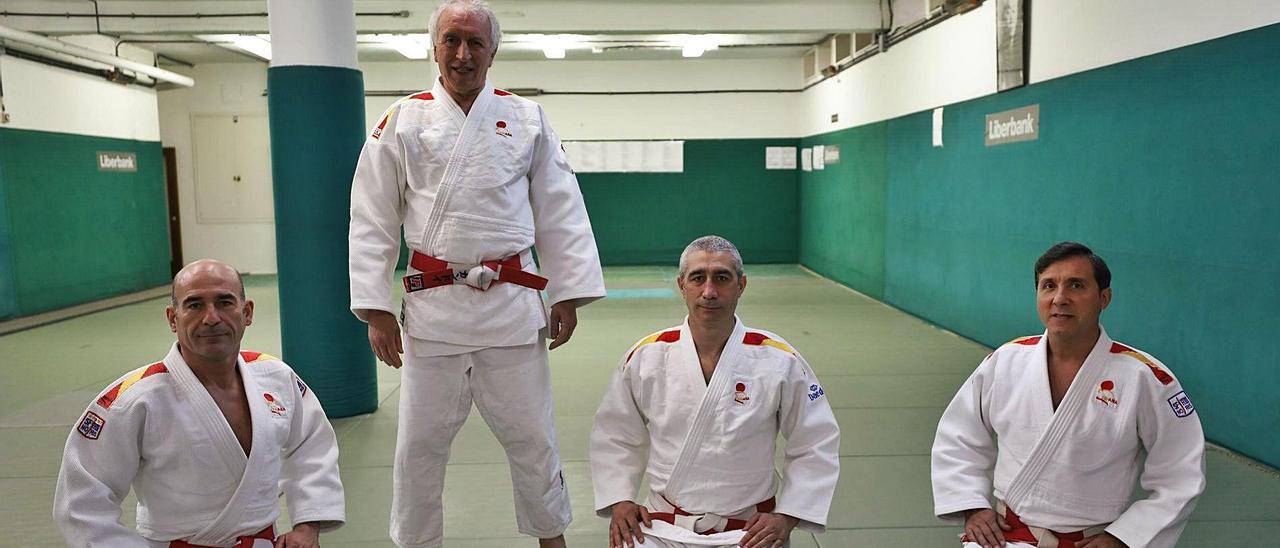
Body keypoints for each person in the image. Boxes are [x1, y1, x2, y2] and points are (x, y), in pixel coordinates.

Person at [347, 0, 605, 545]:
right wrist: (373, 308)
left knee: (533, 437)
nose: (462, 54)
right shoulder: (402, 118)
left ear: (494, 52)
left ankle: (550, 536)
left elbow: (560, 206)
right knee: (418, 443)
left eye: (475, 43)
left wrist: (568, 293)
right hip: (433, 308)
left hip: (510, 306)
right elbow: (371, 216)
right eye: (451, 40)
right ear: (433, 48)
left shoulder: (527, 117)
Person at [53, 259, 345, 548]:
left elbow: (312, 446)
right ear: (172, 318)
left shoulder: (276, 377)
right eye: (194, 305)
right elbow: (80, 499)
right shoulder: (135, 398)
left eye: (224, 302)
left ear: (247, 313)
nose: (211, 318)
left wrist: (307, 526)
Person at [931, 242, 1205, 548]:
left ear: (1104, 298)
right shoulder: (1005, 361)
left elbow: (1181, 473)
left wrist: (1125, 537)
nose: (1060, 298)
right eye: (1049, 286)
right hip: (1007, 538)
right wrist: (972, 504)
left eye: (1076, 285)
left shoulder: (1145, 378)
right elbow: (959, 434)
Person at [590, 236, 840, 548]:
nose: (709, 292)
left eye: (722, 277)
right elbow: (615, 433)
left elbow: (815, 440)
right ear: (682, 285)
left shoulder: (779, 359)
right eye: (698, 278)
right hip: (662, 528)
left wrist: (787, 515)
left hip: (749, 532)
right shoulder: (647, 356)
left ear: (741, 285)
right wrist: (621, 500)